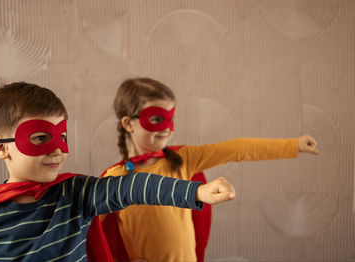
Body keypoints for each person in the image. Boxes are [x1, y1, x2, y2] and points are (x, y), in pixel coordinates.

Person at [0, 82, 236, 262]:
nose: (57, 151)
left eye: (61, 137)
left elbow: (131, 187)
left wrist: (196, 191)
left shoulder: (78, 193)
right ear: (1, 148)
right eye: (40, 138)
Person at [100, 77, 320, 262]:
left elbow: (237, 149)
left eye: (171, 118)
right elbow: (88, 230)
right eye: (157, 119)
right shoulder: (114, 179)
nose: (167, 128)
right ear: (129, 124)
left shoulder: (184, 160)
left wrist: (293, 145)